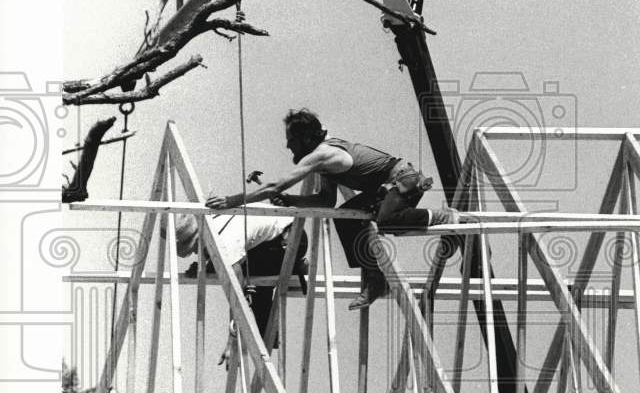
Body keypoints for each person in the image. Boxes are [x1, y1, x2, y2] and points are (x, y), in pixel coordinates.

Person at [206, 108, 466, 310]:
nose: (287, 146)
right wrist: (293, 201)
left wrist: (232, 201)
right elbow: (325, 202)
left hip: (403, 181)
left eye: (290, 140)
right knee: (345, 219)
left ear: (305, 138)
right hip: (384, 188)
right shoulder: (324, 162)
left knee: (385, 221)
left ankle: (444, 216)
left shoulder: (323, 154)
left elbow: (274, 185)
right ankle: (377, 281)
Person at [175, 202, 308, 357]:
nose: (194, 253)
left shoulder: (225, 241)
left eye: (193, 247)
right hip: (278, 236)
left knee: (252, 283)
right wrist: (205, 268)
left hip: (291, 241)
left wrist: (231, 341)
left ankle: (292, 268)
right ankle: (267, 329)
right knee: (229, 265)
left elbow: (236, 292)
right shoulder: (214, 222)